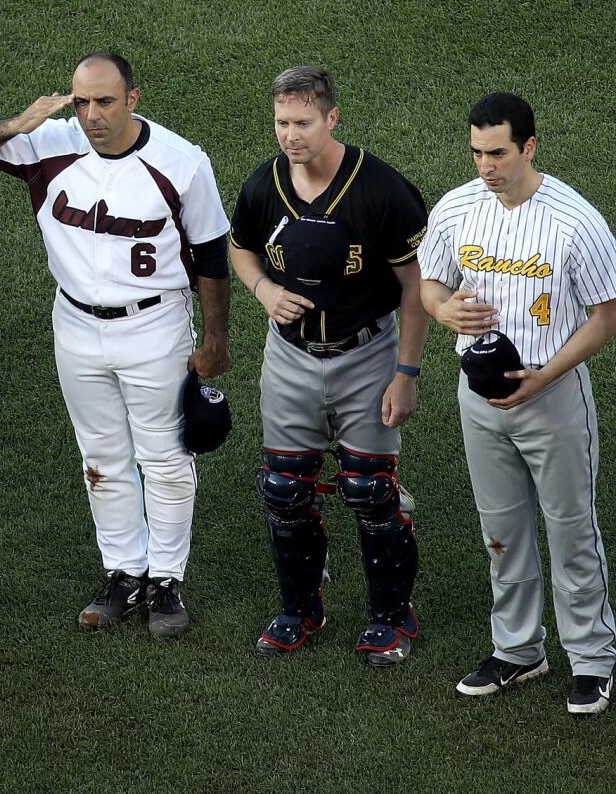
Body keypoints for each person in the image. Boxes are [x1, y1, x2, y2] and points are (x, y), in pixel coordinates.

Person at [0, 52, 230, 640]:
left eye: (105, 101)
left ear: (133, 98)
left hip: (154, 326)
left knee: (166, 457)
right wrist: (15, 126)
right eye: (81, 102)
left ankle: (166, 579)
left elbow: (211, 257)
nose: (92, 114)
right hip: (74, 324)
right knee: (100, 457)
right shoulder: (48, 143)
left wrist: (215, 342)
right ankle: (123, 572)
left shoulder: (181, 163)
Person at [421, 92, 616, 717]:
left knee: (571, 531)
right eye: (477, 152)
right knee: (501, 532)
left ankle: (594, 662)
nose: (486, 166)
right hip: (478, 398)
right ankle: (518, 650)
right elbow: (430, 281)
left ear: (528, 146)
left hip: (553, 398)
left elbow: (605, 316)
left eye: (498, 153)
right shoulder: (456, 208)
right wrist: (441, 308)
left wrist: (545, 374)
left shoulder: (575, 221)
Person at [228, 66, 427, 665]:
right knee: (285, 490)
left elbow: (417, 288)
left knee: (370, 491)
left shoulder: (381, 189)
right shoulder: (264, 185)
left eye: (303, 123)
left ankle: (392, 618)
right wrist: (263, 289)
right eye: (282, 123)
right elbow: (239, 247)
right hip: (288, 356)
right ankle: (300, 609)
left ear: (332, 118)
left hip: (367, 354)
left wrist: (406, 373)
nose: (290, 135)